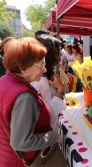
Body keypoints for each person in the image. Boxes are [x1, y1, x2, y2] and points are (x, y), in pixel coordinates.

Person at [0, 37, 60, 167]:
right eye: (41, 65)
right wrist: (53, 137)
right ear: (22, 67)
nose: (44, 69)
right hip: (22, 162)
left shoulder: (4, 80)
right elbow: (21, 142)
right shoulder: (24, 97)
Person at [31, 34, 66, 131]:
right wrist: (59, 90)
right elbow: (47, 114)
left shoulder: (46, 75)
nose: (61, 54)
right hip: (48, 137)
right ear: (49, 54)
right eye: (58, 51)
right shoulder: (39, 81)